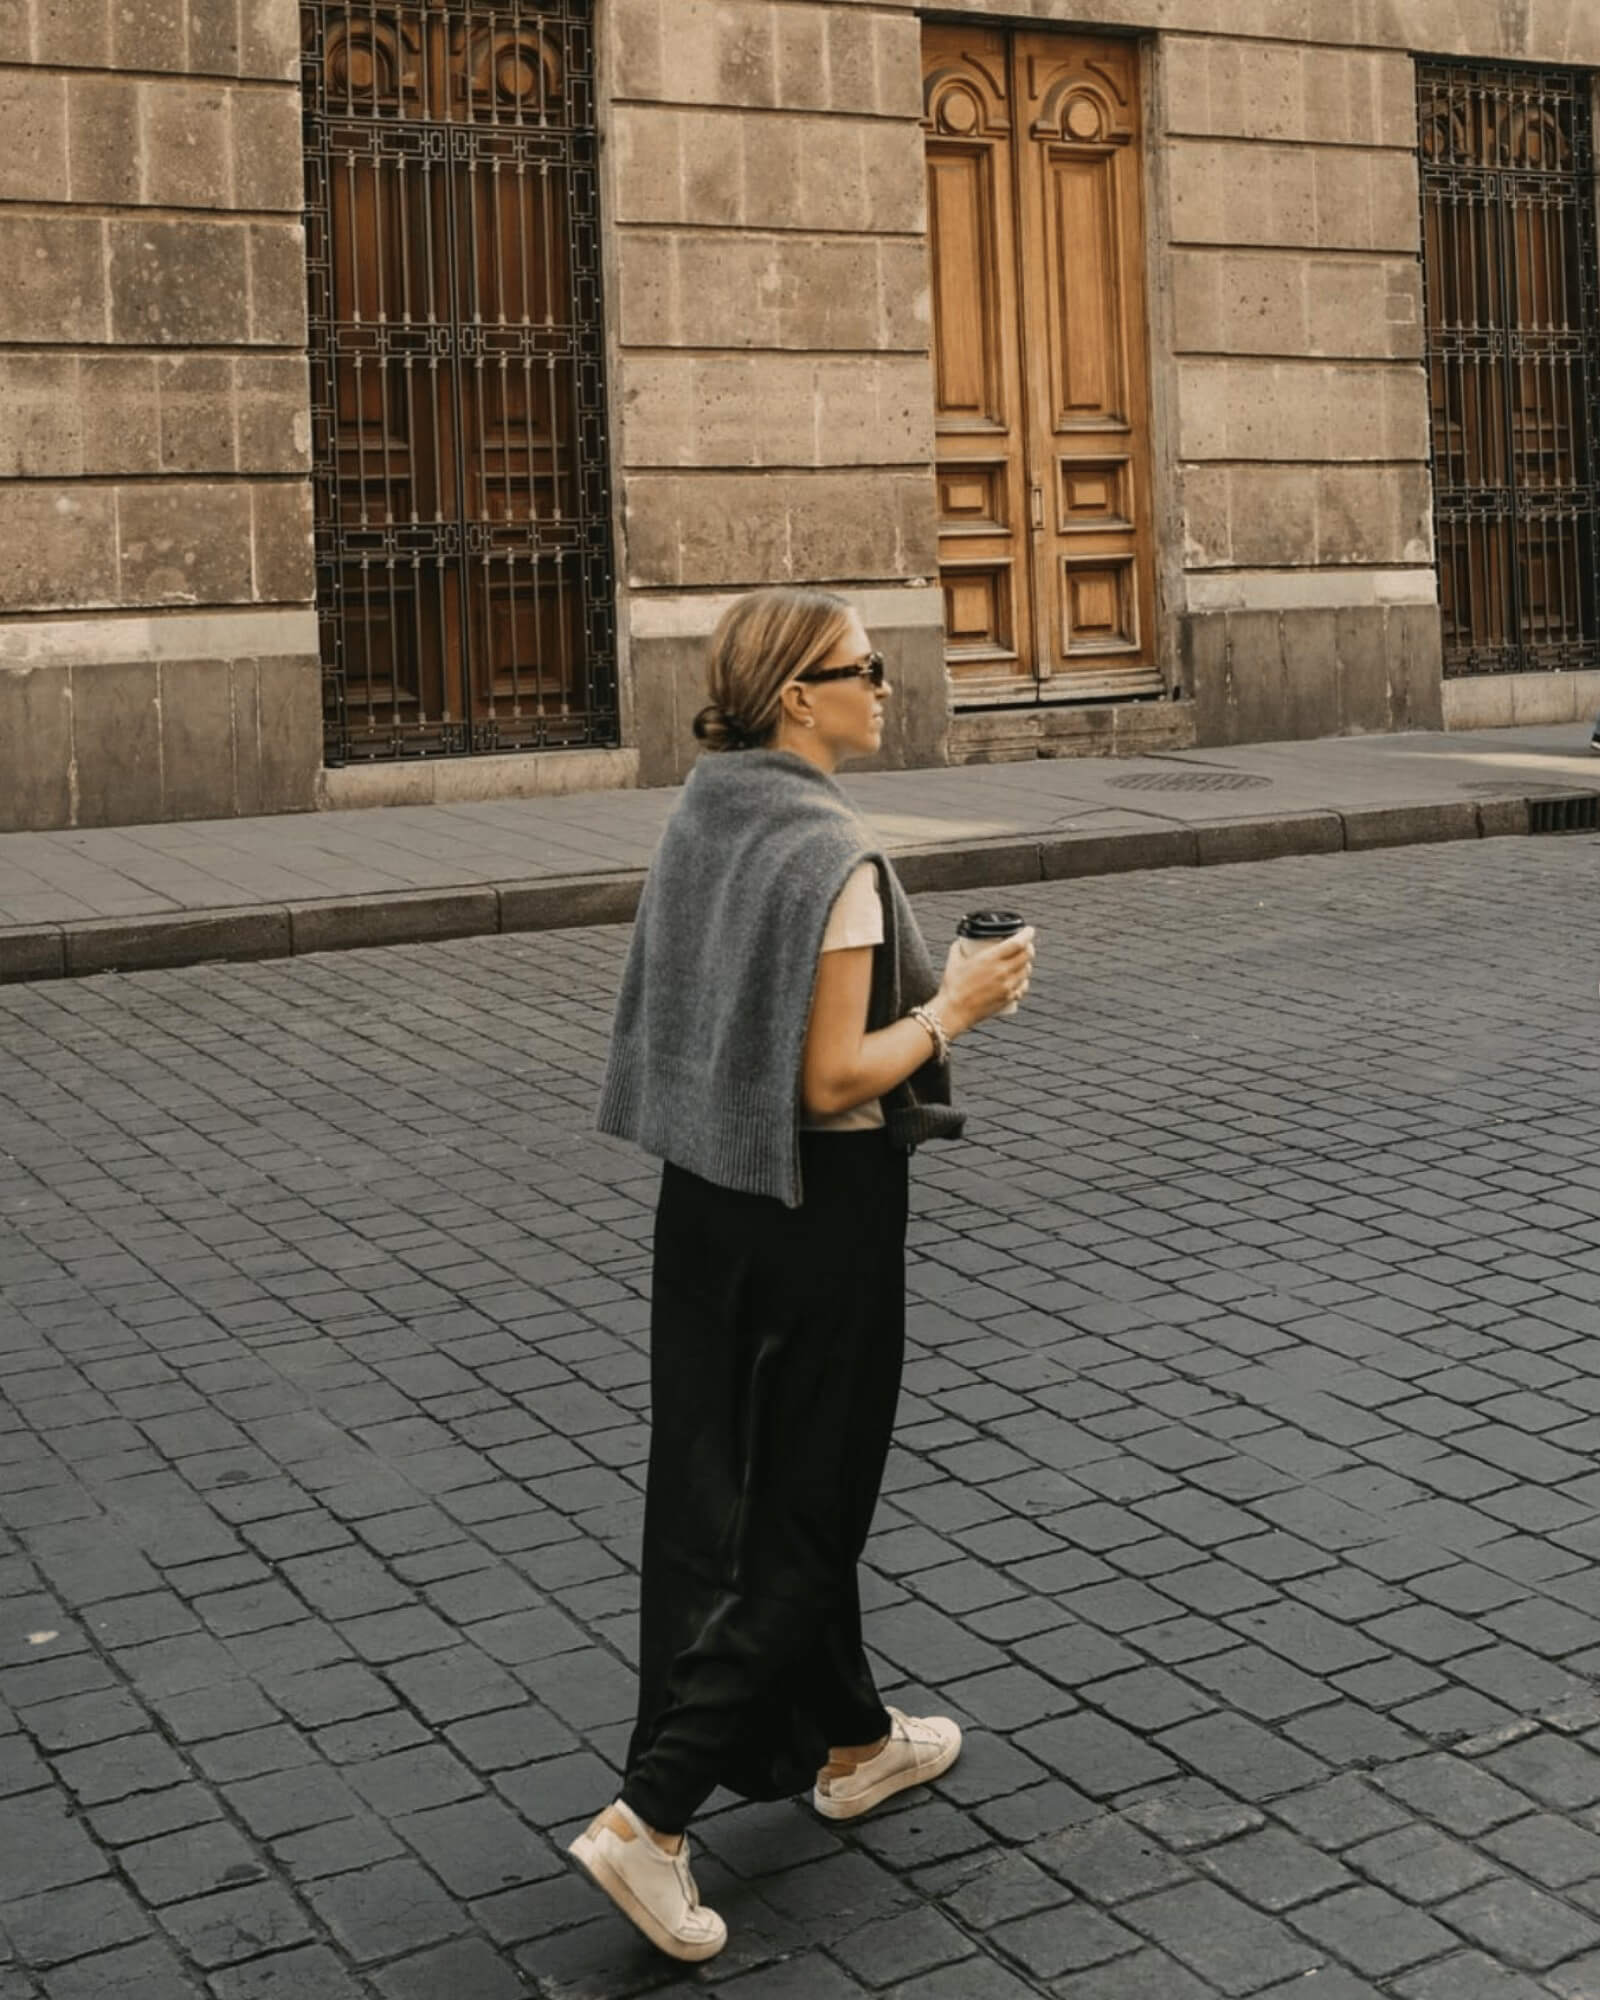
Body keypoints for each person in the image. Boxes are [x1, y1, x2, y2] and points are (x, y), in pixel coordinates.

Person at [573, 586, 1036, 1962]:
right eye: (862, 668)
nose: (885, 685)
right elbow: (834, 1074)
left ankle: (854, 1742)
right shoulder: (830, 853)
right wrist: (958, 1004)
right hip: (818, 1206)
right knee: (810, 1504)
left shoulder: (709, 807)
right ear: (799, 697)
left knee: (725, 1485)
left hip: (703, 1197)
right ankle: (650, 1822)